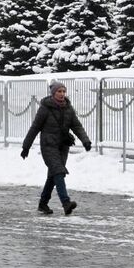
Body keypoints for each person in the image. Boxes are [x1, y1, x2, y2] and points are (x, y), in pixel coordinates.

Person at [21, 81, 93, 216]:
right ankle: (66, 203)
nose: (62, 94)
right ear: (53, 93)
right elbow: (35, 127)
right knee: (58, 172)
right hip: (48, 145)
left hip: (63, 146)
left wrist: (85, 141)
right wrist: (26, 146)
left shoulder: (68, 108)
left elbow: (77, 126)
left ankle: (43, 204)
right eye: (59, 91)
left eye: (63, 91)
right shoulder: (45, 108)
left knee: (54, 175)